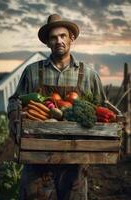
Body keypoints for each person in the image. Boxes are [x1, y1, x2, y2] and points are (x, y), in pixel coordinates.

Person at [8, 14, 107, 200]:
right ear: (47, 42)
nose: (58, 41)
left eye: (63, 36)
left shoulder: (88, 75)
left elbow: (101, 107)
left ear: (72, 39)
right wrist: (15, 119)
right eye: (53, 37)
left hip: (75, 155)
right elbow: (15, 100)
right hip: (36, 153)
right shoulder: (32, 72)